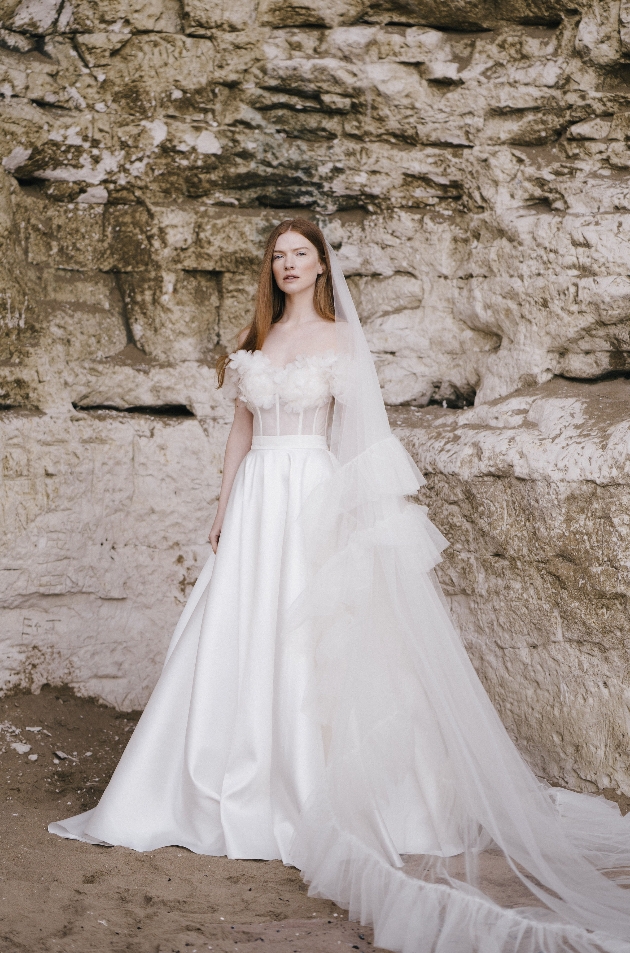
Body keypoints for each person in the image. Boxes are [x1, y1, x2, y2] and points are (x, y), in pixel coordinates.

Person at [50, 220, 630, 953]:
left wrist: (364, 519)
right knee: (238, 625)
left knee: (315, 631)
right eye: (278, 256)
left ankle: (320, 790)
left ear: (321, 265)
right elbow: (238, 431)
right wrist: (223, 504)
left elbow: (359, 429)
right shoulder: (257, 335)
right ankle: (215, 784)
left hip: (313, 494)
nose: (288, 265)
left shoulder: (341, 339)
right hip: (259, 494)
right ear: (272, 268)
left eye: (300, 254)